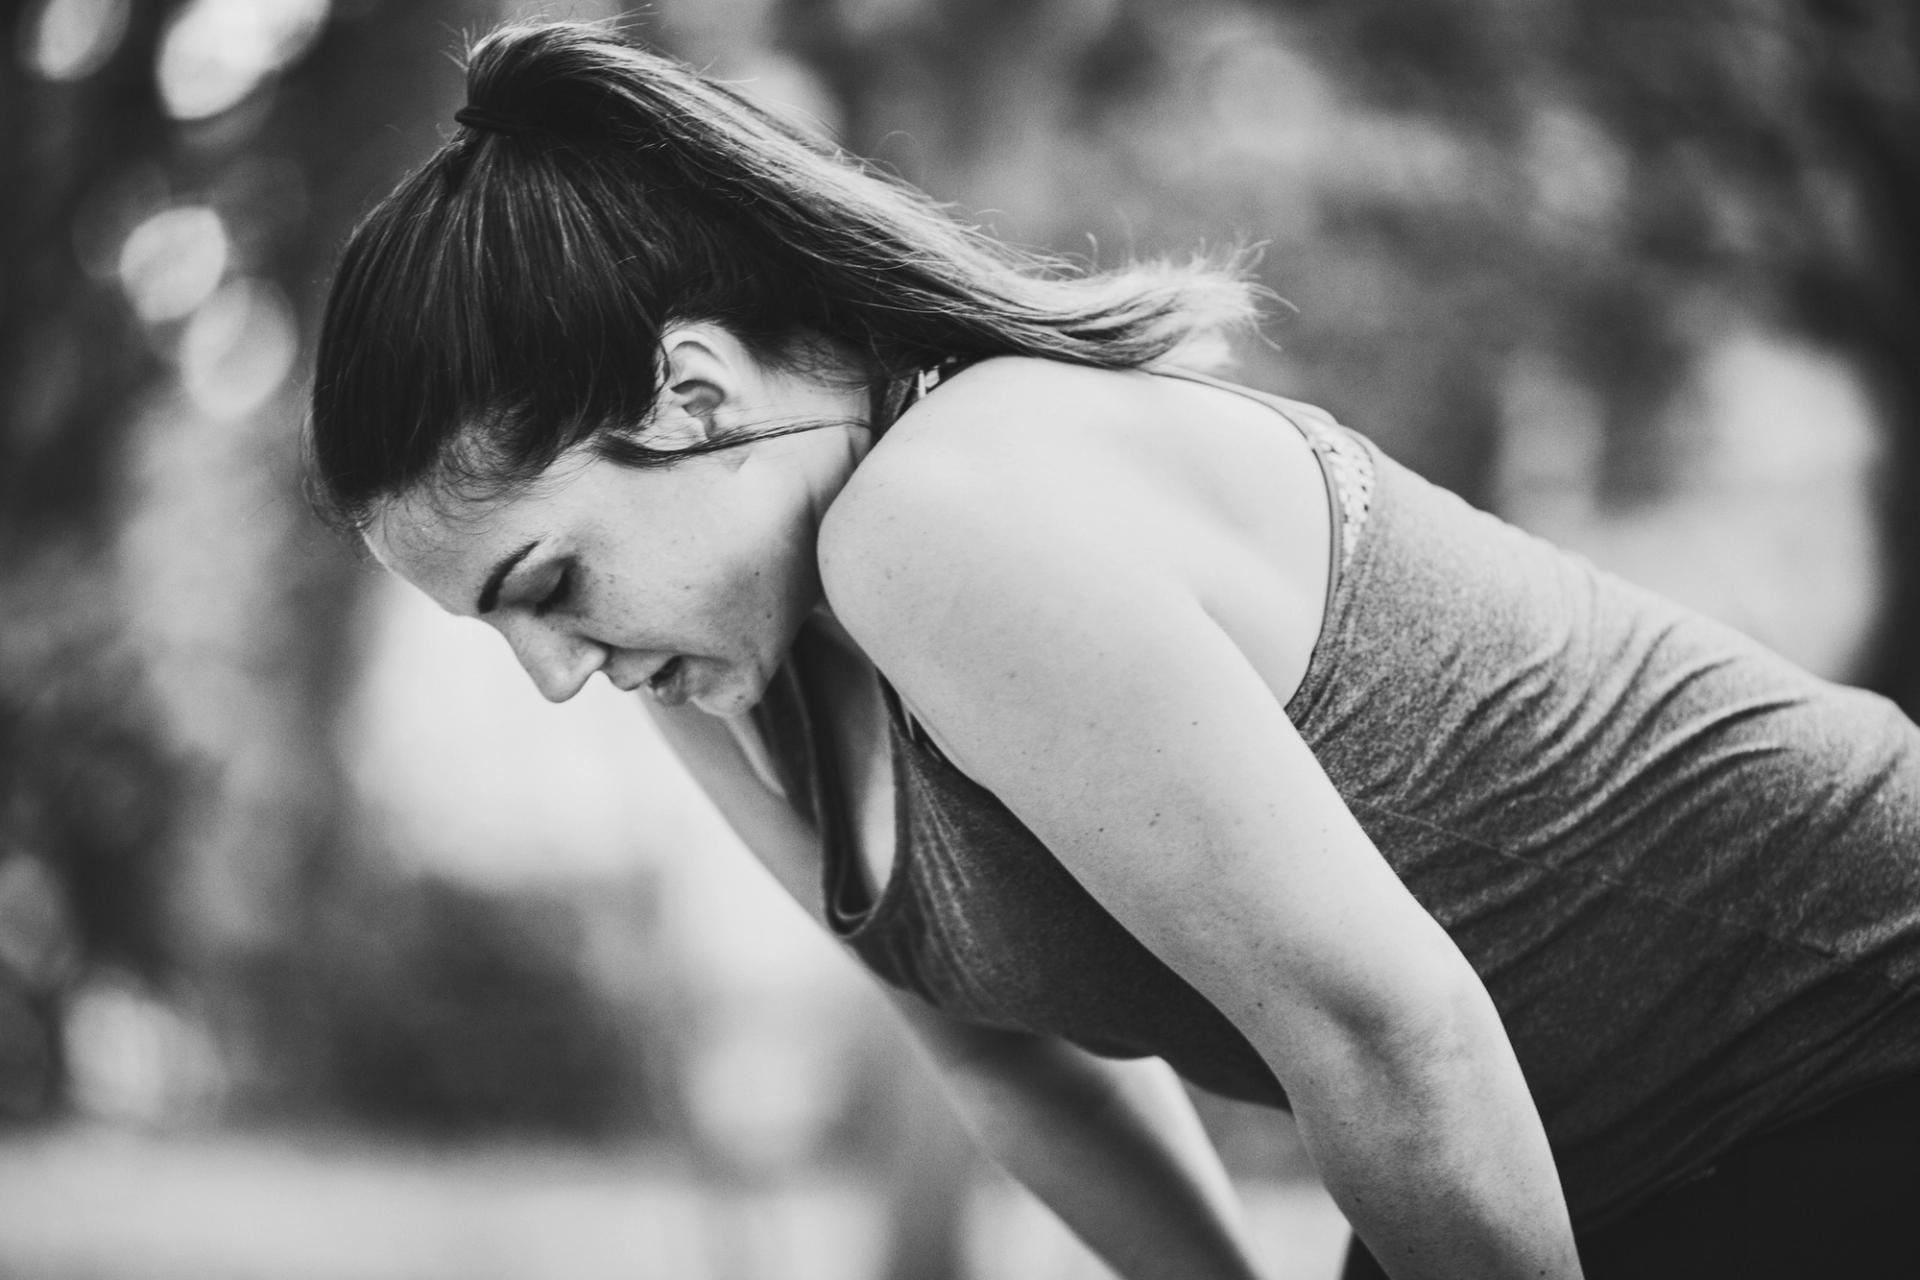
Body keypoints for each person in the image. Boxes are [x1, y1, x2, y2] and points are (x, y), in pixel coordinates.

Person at [307, 20, 1920, 1280]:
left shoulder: (940, 521)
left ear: (692, 398)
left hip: (1843, 1052)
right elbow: (1026, 1075)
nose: (556, 671)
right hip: (1581, 1143)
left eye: (546, 580)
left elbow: (1385, 1030)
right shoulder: (724, 657)